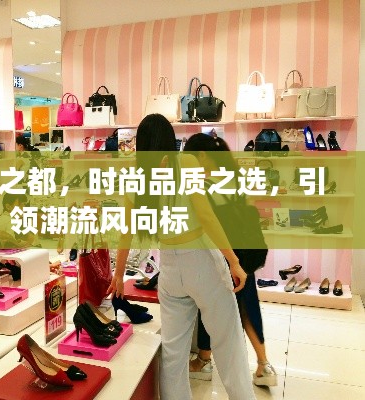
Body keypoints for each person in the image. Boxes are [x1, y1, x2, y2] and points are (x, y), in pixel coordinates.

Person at [107, 114, 256, 400]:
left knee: (173, 353)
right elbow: (206, 217)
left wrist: (118, 274)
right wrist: (234, 261)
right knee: (228, 342)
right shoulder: (185, 163)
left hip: (170, 268)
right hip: (201, 260)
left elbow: (126, 232)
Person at [184, 133, 277, 386]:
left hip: (225, 256)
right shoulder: (233, 179)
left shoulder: (204, 186)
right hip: (248, 253)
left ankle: (204, 360)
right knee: (248, 306)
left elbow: (206, 225)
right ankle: (264, 365)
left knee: (208, 306)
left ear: (202, 156)